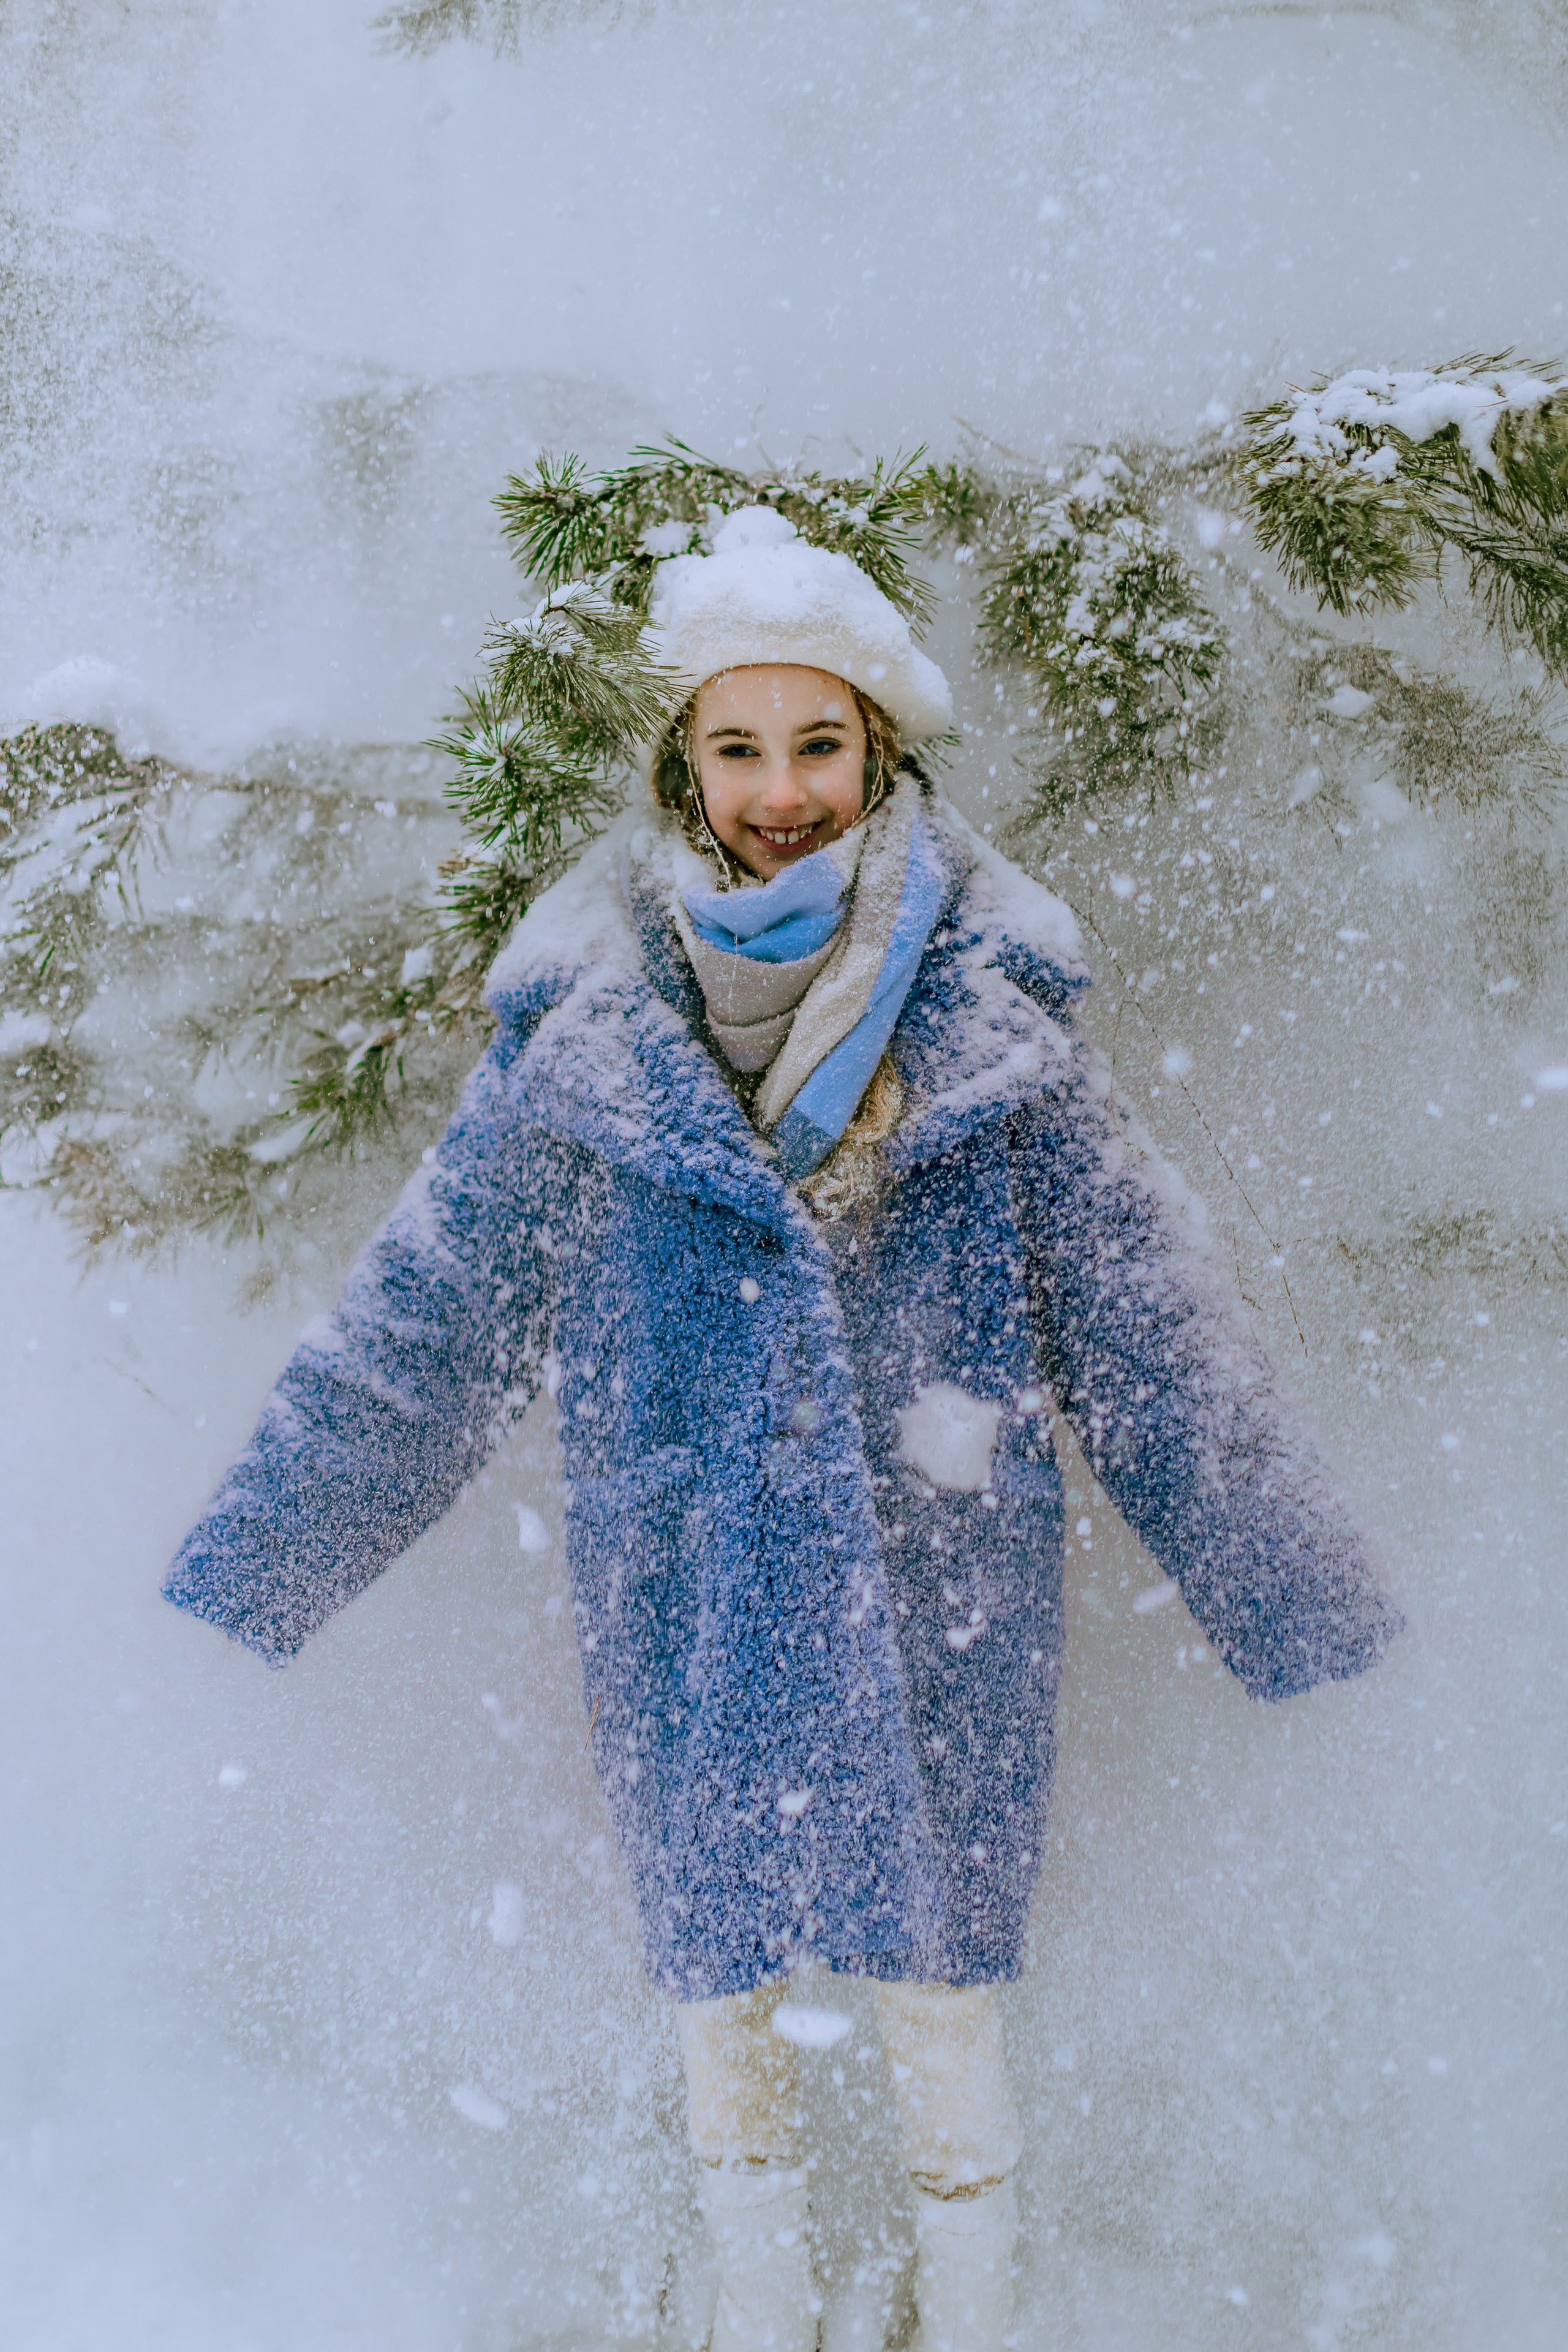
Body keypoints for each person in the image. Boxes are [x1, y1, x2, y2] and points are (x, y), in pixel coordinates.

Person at [165, 506, 1400, 2352]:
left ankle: (971, 2304)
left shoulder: (995, 1031)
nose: (781, 791)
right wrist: (263, 1558)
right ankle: (761, 2305)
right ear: (683, 767)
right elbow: (419, 1336)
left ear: (880, 752)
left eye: (818, 744)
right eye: (738, 749)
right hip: (688, 1585)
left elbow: (1161, 1336)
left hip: (944, 1587)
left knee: (942, 1981)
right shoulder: (583, 1043)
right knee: (719, 1989)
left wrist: (1292, 1594)